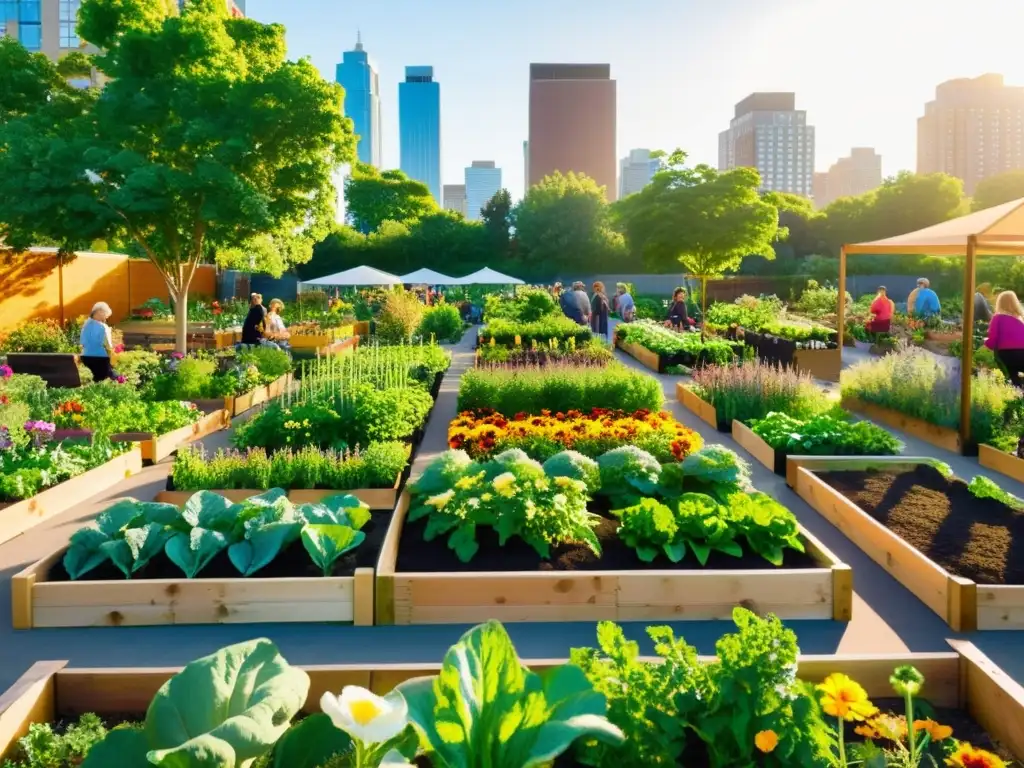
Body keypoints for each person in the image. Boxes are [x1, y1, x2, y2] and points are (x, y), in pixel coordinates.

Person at [985, 291, 1024, 386]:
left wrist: (986, 343)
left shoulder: (997, 318)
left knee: (1013, 374)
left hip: (1006, 353)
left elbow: (993, 339)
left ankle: (1017, 393)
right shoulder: (1020, 318)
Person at [80, 301, 116, 381]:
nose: (105, 318)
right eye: (106, 315)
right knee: (109, 378)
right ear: (100, 312)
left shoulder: (85, 325)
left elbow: (82, 343)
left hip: (85, 357)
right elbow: (109, 346)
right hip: (100, 359)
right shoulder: (103, 327)